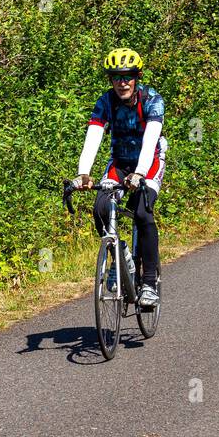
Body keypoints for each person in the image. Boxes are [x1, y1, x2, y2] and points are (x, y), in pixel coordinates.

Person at [72, 48, 165, 307]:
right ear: (110, 80)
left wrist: (139, 174)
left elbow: (150, 141)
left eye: (127, 77)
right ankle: (120, 255)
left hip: (149, 162)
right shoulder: (105, 101)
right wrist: (83, 173)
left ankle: (148, 284)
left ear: (137, 77)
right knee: (101, 208)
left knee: (143, 213)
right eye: (116, 77)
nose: (122, 83)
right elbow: (93, 137)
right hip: (120, 163)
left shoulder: (152, 99)